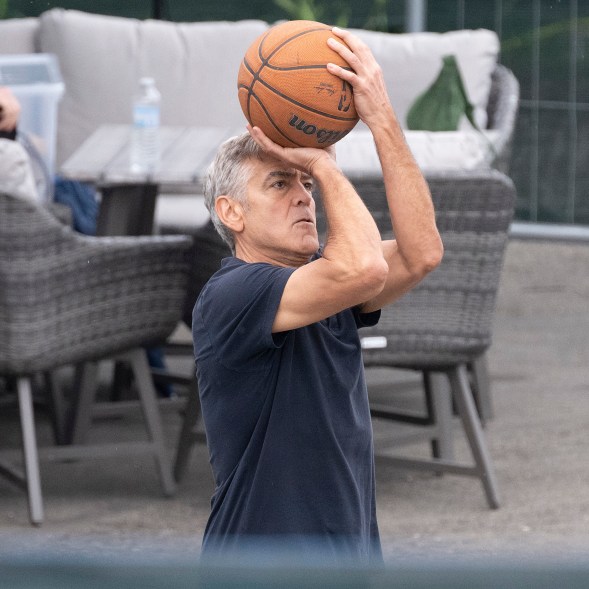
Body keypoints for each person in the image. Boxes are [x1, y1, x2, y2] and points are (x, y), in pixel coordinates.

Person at [192, 27, 444, 564]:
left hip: (348, 552)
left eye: (304, 184)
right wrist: (323, 164)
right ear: (231, 213)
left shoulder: (323, 288)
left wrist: (380, 122)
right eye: (281, 183)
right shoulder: (234, 293)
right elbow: (363, 267)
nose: (304, 196)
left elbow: (422, 252)